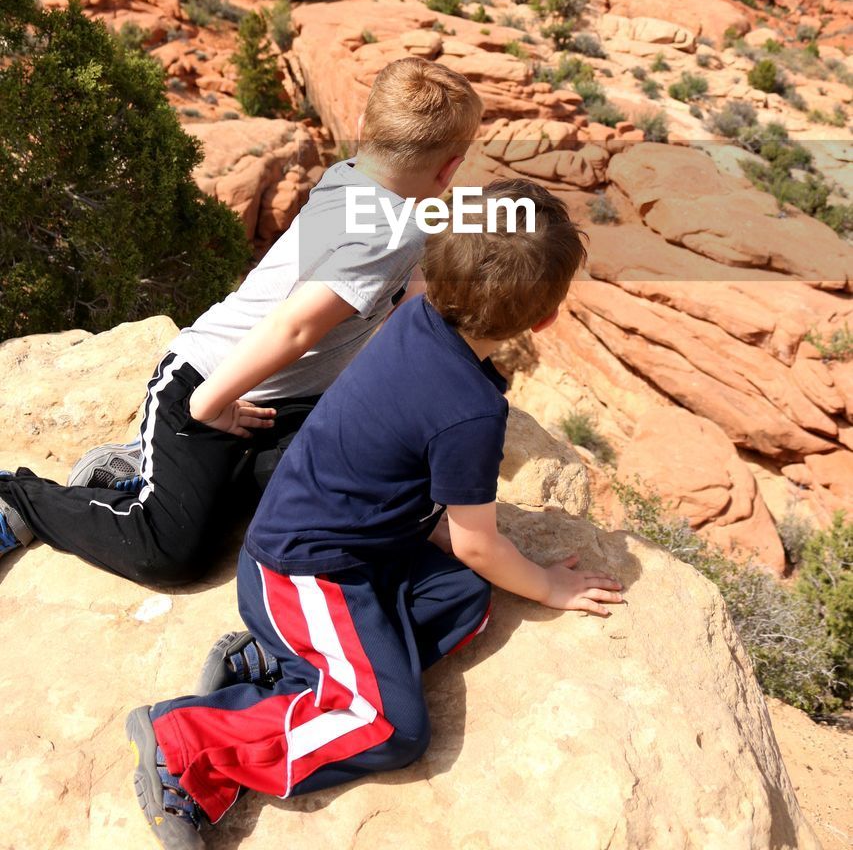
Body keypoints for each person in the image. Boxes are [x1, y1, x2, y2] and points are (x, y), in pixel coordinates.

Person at [125, 178, 624, 848]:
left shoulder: (418, 313)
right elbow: (478, 540)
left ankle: (277, 668)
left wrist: (498, 562)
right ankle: (186, 742)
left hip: (358, 552)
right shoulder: (470, 410)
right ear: (542, 320)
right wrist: (550, 584)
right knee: (389, 726)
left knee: (469, 597)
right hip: (305, 574)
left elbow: (463, 545)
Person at [0, 57, 483, 586]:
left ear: (365, 132)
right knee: (169, 554)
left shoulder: (354, 177)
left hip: (279, 402)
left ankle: (144, 471)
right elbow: (294, 329)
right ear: (448, 169)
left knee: (330, 489)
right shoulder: (393, 233)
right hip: (208, 383)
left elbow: (405, 297)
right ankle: (20, 497)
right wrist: (206, 403)